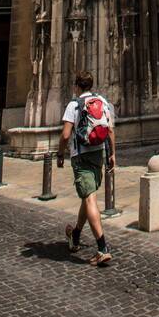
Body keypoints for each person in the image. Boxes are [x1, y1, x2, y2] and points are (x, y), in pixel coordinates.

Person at [57, 71, 114, 268]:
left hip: (80, 155)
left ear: (77, 86)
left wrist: (59, 155)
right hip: (98, 153)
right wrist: (112, 154)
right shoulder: (102, 101)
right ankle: (76, 234)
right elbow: (110, 129)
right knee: (88, 195)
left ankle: (102, 248)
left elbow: (65, 135)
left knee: (89, 197)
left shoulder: (74, 104)